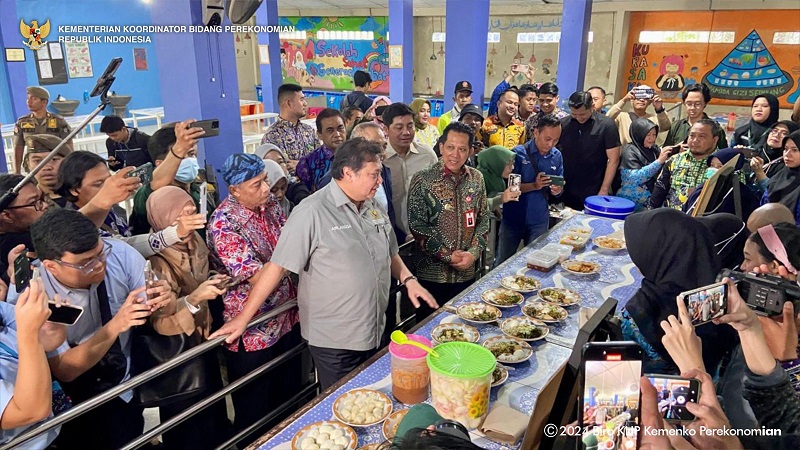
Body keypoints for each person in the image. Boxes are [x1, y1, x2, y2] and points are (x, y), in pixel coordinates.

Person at [211, 139, 438, 390]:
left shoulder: (371, 204)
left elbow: (389, 251)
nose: (380, 181)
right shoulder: (312, 212)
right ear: (348, 173)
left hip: (374, 328)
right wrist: (243, 318)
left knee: (373, 397)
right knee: (343, 406)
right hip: (336, 341)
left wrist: (408, 280)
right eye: (373, 175)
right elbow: (278, 266)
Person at [17, 208, 174, 449]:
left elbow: (161, 310)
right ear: (51, 265)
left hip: (124, 385)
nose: (100, 265)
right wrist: (117, 324)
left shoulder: (120, 254)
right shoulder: (32, 294)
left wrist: (164, 299)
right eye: (85, 264)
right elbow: (65, 369)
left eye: (100, 254)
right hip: (72, 402)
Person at [206, 154, 303, 430]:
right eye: (256, 184)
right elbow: (259, 276)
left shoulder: (270, 204)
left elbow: (291, 239)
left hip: (287, 316)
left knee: (290, 398)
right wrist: (288, 260)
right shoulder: (223, 224)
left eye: (265, 180)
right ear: (234, 190)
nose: (265, 189)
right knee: (256, 412)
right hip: (252, 330)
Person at [143, 186, 229, 450]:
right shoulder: (155, 261)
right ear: (164, 220)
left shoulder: (196, 242)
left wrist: (213, 279)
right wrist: (196, 298)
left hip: (203, 342)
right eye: (181, 217)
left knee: (213, 409)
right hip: (178, 354)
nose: (189, 222)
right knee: (187, 424)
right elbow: (160, 318)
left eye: (193, 213)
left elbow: (200, 277)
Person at [621, 208, 737, 373]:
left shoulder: (643, 308)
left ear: (654, 254)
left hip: (660, 394)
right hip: (716, 390)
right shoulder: (722, 297)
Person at [0, 167, 141, 284]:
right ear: (6, 215)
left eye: (42, 198)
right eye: (34, 202)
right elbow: (65, 232)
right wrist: (103, 200)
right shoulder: (12, 244)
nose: (44, 205)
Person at [408, 122, 490, 318]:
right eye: (450, 147)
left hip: (467, 272)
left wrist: (473, 253)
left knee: (463, 326)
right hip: (431, 275)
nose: (455, 154)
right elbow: (417, 225)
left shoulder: (476, 178)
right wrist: (447, 256)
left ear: (470, 151)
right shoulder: (423, 179)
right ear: (441, 146)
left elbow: (484, 219)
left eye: (462, 149)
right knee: (430, 330)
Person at [56, 151, 192, 257]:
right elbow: (123, 248)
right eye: (98, 184)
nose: (108, 187)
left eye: (109, 181)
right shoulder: (74, 227)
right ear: (74, 189)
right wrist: (175, 233)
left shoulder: (111, 209)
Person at [0, 279, 65, 449]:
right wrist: (29, 333)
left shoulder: (2, 310)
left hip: (54, 425)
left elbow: (48, 341)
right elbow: (30, 411)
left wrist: (50, 324)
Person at [495, 114, 564, 266]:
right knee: (503, 262)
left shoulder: (557, 156)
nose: (551, 144)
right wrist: (535, 185)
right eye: (547, 139)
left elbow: (559, 188)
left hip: (539, 219)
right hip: (513, 218)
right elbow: (511, 188)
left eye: (556, 140)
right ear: (536, 132)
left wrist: (557, 190)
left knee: (535, 264)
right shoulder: (518, 153)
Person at [128, 120, 213, 237]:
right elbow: (154, 183)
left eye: (192, 154)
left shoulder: (198, 187)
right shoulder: (150, 194)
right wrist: (179, 149)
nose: (190, 161)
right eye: (182, 157)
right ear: (160, 163)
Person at [382, 103, 438, 238]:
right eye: (399, 127)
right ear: (386, 129)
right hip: (390, 236)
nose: (406, 132)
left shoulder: (427, 155)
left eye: (410, 126)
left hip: (425, 234)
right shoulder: (380, 159)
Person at [559, 91, 621, 210]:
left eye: (582, 114)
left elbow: (613, 160)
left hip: (594, 186)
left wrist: (604, 189)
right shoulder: (564, 124)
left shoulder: (606, 125)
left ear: (592, 107)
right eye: (574, 114)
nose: (578, 117)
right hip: (566, 185)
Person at [649, 119, 721, 210]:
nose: (695, 140)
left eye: (701, 136)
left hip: (707, 221)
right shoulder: (675, 160)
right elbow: (658, 194)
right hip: (672, 218)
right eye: (692, 135)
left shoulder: (724, 164)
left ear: (715, 140)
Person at [682, 148, 764, 221]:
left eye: (720, 166)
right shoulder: (703, 187)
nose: (713, 169)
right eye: (712, 165)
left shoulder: (742, 192)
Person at [12, 86, 72, 174]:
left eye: (34, 99)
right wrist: (17, 172)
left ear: (44, 102)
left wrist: (70, 169)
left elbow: (68, 146)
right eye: (28, 98)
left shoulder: (58, 121)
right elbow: (18, 148)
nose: (29, 102)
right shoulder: (22, 122)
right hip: (33, 167)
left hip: (54, 165)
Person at [617, 119, 673, 211]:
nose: (652, 138)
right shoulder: (630, 151)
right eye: (648, 135)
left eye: (654, 135)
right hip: (632, 203)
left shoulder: (654, 149)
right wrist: (658, 162)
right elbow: (633, 178)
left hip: (652, 201)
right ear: (639, 134)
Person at [261, 83, 318, 170]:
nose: (305, 104)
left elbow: (319, 160)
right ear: (289, 103)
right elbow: (280, 170)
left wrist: (300, 164)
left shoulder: (309, 130)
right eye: (301, 99)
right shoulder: (273, 136)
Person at [295, 108, 346, 192]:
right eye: (330, 130)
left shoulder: (357, 156)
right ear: (319, 135)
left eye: (340, 128)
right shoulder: (307, 163)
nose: (337, 134)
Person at [663, 83, 728, 149]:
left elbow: (723, 154)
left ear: (705, 104)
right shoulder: (676, 126)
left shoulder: (715, 129)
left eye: (697, 104)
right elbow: (665, 152)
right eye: (689, 104)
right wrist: (676, 149)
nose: (692, 108)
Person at [606, 86, 671, 146]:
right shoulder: (622, 116)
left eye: (645, 98)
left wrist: (659, 109)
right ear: (632, 100)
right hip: (625, 155)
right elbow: (607, 118)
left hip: (646, 156)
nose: (641, 100)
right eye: (638, 97)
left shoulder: (653, 118)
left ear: (650, 102)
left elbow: (666, 127)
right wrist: (624, 100)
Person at [21, 134, 70, 207]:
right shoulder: (25, 202)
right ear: (28, 164)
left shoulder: (83, 195)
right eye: (37, 161)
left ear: (68, 161)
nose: (46, 167)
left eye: (54, 159)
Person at [762, 130, 800, 225]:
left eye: (795, 150)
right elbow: (763, 209)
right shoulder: (779, 177)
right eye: (785, 149)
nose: (787, 154)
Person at [476, 145, 520, 212]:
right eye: (508, 164)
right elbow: (474, 207)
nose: (512, 167)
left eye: (513, 163)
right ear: (496, 163)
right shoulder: (477, 180)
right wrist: (500, 199)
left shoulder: (498, 180)